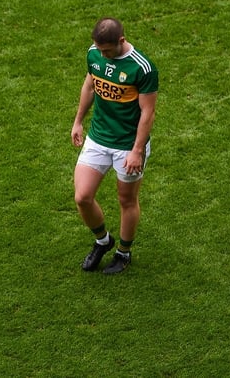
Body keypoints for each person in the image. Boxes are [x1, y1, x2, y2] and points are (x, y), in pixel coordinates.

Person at [71, 18, 158, 274]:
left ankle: (123, 253)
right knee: (82, 197)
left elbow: (147, 112)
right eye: (99, 49)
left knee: (126, 200)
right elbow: (90, 85)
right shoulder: (94, 54)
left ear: (121, 41)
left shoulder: (142, 68)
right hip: (98, 138)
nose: (102, 55)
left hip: (127, 146)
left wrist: (137, 150)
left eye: (107, 50)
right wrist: (77, 122)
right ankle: (103, 241)